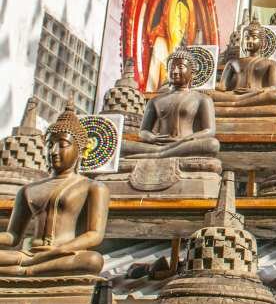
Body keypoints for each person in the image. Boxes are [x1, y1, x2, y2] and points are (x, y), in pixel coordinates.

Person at [0, 102, 109, 276]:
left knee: (93, 260)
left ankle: (28, 270)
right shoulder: (27, 190)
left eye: (62, 144)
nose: (54, 151)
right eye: (50, 144)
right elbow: (13, 236)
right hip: (28, 253)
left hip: (62, 253)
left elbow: (94, 234)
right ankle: (27, 267)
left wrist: (59, 250)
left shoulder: (92, 187)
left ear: (80, 150)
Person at [122, 46, 221, 159]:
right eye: (171, 68)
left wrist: (185, 139)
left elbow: (209, 131)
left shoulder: (202, 99)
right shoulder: (155, 100)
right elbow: (143, 131)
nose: (174, 71)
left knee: (212, 144)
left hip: (186, 144)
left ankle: (161, 154)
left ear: (192, 72)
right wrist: (152, 138)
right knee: (122, 145)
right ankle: (161, 151)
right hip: (159, 144)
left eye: (180, 67)